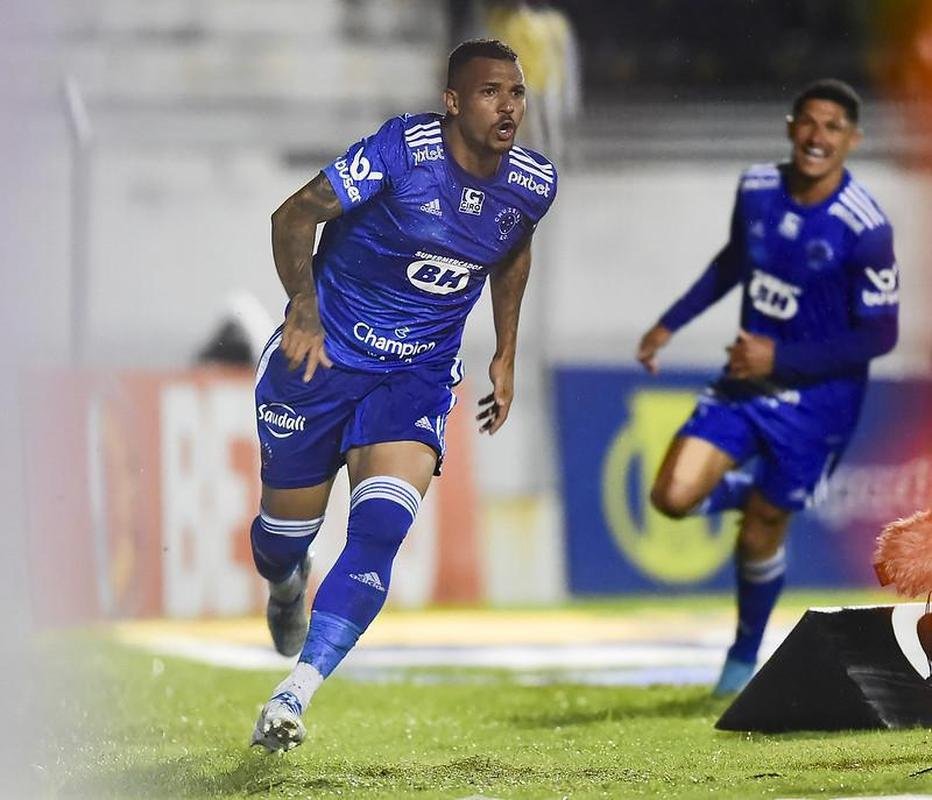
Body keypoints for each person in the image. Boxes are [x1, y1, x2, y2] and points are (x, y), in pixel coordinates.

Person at [249, 38, 557, 752]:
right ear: (453, 102)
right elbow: (292, 216)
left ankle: (295, 694)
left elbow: (513, 244)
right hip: (322, 357)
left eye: (515, 93)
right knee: (279, 541)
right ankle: (288, 582)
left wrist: (505, 350)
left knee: (381, 529)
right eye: (489, 92)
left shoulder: (534, 182)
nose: (507, 106)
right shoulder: (400, 151)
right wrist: (303, 304)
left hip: (415, 375)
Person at [636, 79, 898, 696]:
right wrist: (669, 322)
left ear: (851, 141)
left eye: (833, 128)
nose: (817, 137)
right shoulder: (756, 189)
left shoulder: (865, 228)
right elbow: (735, 261)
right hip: (747, 386)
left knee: (762, 530)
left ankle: (741, 658)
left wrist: (781, 354)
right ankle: (753, 490)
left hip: (818, 405)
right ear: (790, 127)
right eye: (808, 122)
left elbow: (881, 335)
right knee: (671, 495)